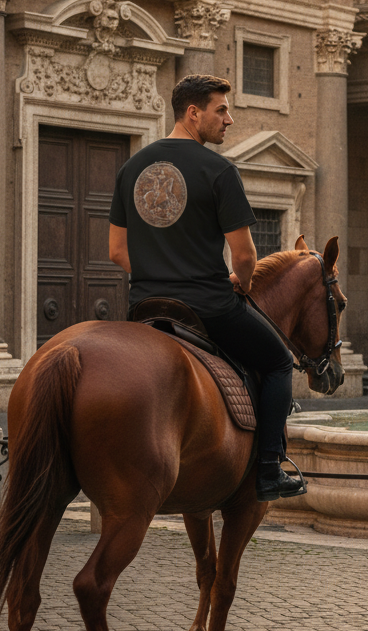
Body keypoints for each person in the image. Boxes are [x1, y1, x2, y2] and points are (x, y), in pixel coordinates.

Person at [108, 74, 305, 503]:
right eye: (221, 110)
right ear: (193, 113)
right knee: (277, 363)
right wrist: (243, 282)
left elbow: (116, 251)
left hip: (145, 307)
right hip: (207, 307)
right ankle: (269, 471)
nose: (229, 120)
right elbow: (246, 255)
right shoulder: (219, 170)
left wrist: (156, 273)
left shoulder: (131, 168)